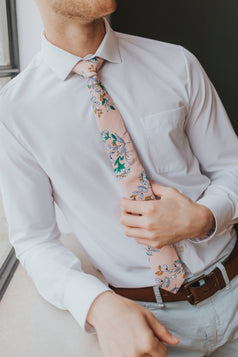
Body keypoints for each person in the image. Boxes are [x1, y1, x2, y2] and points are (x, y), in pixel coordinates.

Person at [0, 0, 238, 356]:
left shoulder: (177, 63)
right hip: (144, 325)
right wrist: (96, 304)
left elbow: (231, 168)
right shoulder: (14, 113)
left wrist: (203, 217)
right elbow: (35, 241)